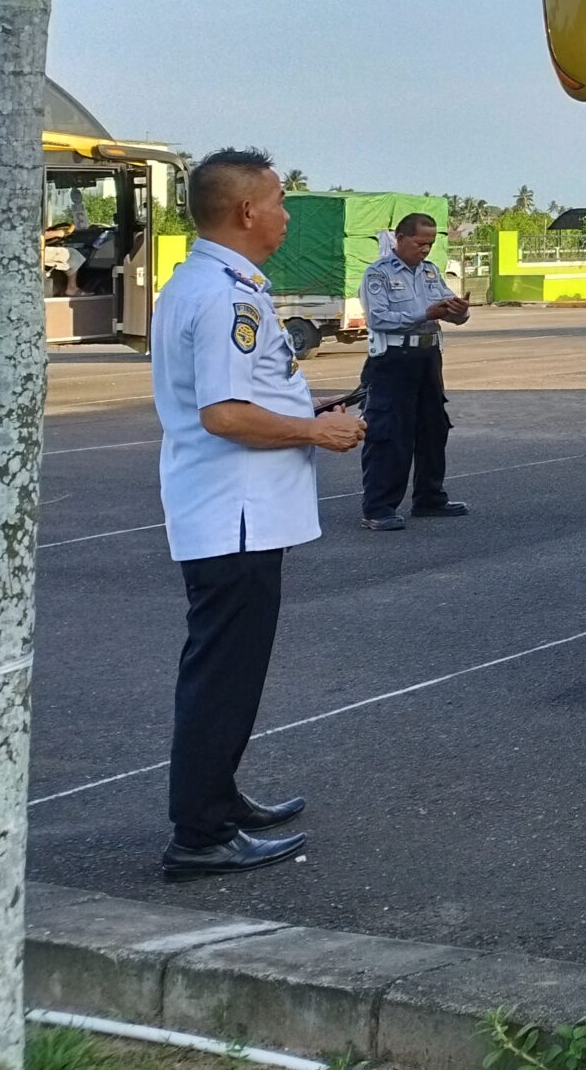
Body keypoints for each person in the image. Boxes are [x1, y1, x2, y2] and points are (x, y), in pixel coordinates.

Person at [152, 147, 366, 879]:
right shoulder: (227, 297)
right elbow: (222, 413)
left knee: (228, 671)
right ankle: (200, 832)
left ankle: (218, 798)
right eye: (278, 199)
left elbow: (247, 395)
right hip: (233, 513)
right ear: (246, 211)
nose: (284, 212)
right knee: (224, 674)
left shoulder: (209, 282)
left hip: (229, 509)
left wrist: (309, 407)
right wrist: (316, 430)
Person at [357, 212, 472, 529]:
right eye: (420, 242)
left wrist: (459, 312)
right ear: (401, 238)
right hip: (393, 359)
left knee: (433, 428)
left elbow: (449, 312)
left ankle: (429, 498)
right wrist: (425, 312)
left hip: (428, 357)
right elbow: (378, 318)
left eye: (431, 244)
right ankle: (378, 507)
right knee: (389, 433)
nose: (425, 249)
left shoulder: (431, 272)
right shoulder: (377, 275)